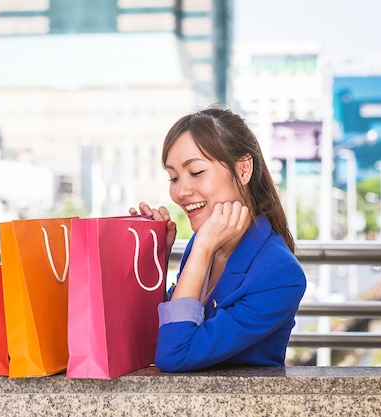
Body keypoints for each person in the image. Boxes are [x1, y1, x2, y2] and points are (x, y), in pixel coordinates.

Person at [130, 106, 306, 372]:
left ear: (243, 169)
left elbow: (174, 354)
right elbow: (152, 336)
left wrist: (201, 249)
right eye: (173, 177)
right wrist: (156, 259)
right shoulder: (205, 244)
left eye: (196, 172)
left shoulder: (280, 275)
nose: (180, 191)